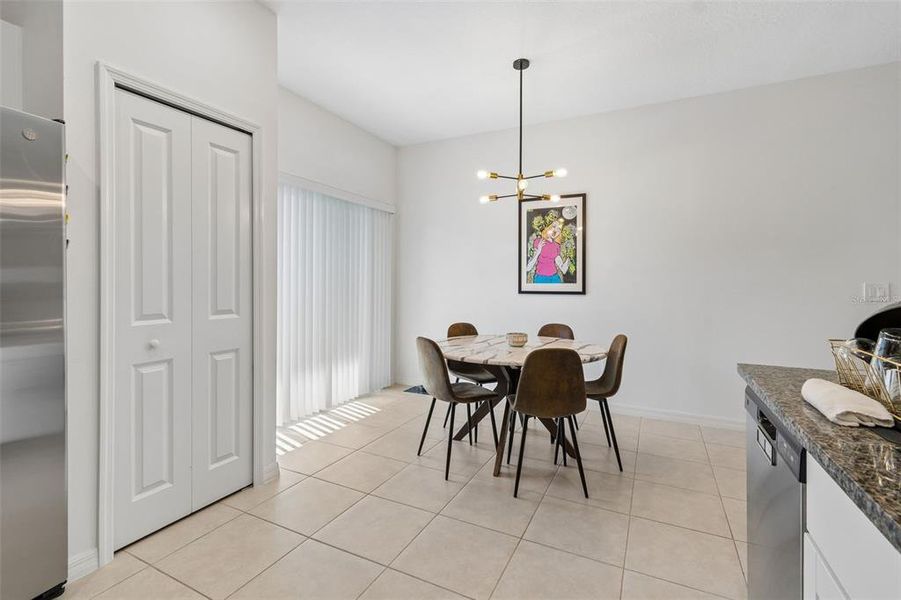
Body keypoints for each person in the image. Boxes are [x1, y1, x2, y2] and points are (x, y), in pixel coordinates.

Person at [526, 218, 570, 283]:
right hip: (541, 277)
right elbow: (528, 268)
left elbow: (563, 269)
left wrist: (568, 258)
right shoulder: (538, 242)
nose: (555, 231)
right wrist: (539, 251)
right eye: (554, 226)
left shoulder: (556, 246)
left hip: (555, 277)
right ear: (548, 227)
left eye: (559, 229)